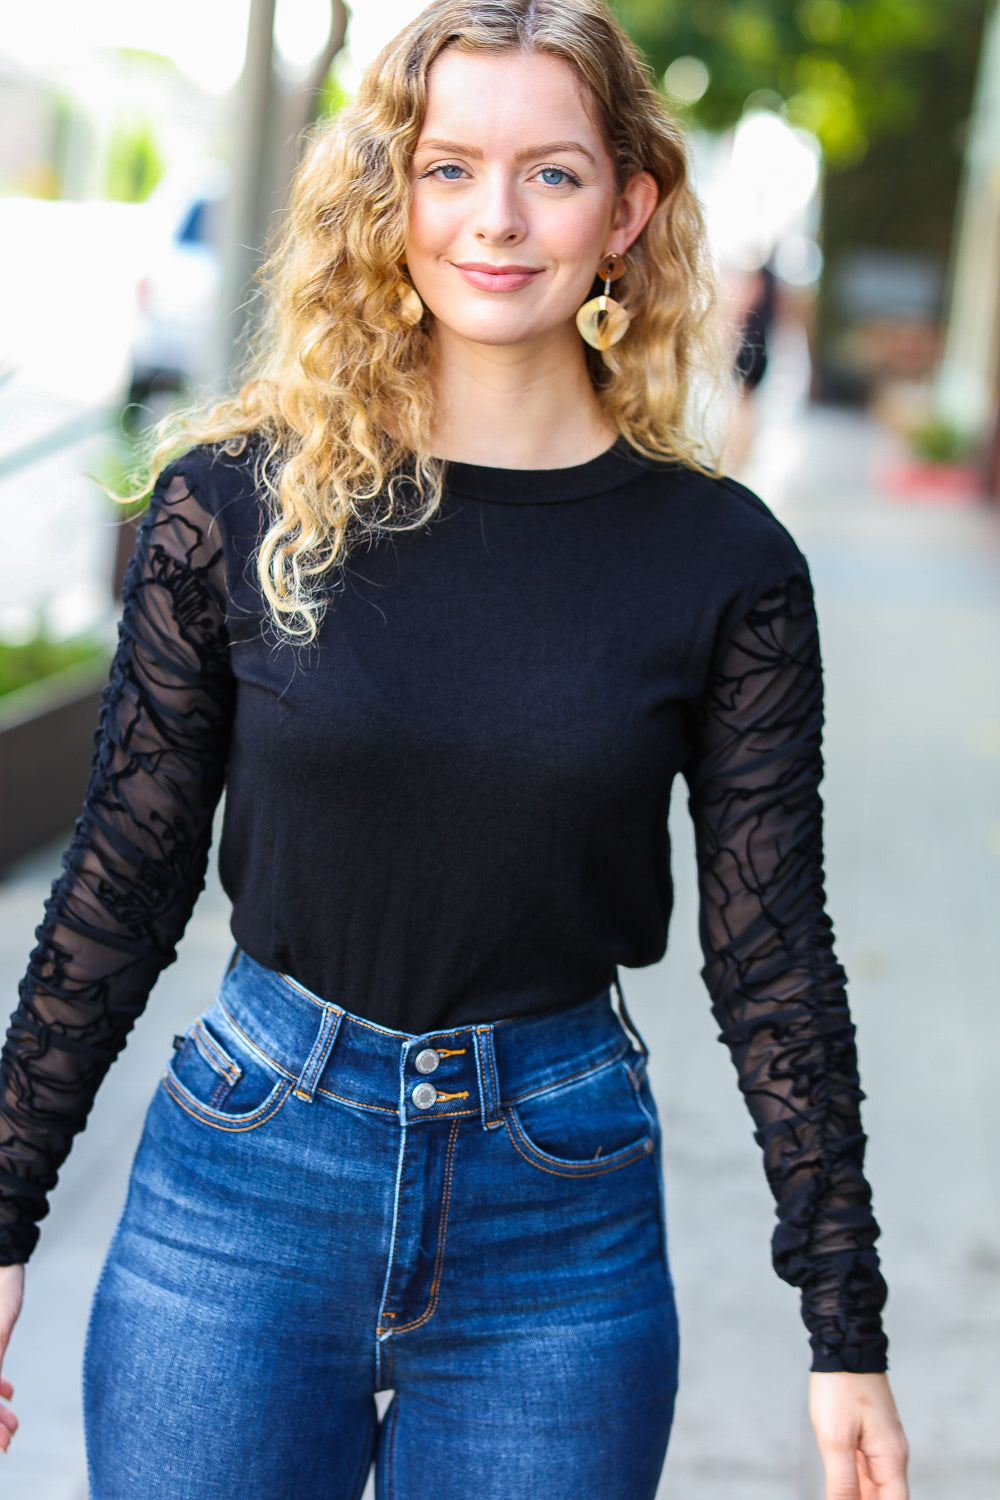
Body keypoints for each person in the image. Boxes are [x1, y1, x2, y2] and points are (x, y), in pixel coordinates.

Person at [0, 2, 909, 1496]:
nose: (497, 218)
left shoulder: (721, 563)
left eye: (553, 173)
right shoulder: (234, 506)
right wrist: (5, 1217)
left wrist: (846, 1325)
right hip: (245, 1178)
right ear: (390, 195)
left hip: (557, 1211)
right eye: (448, 168)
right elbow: (125, 873)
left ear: (627, 212)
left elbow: (773, 956)